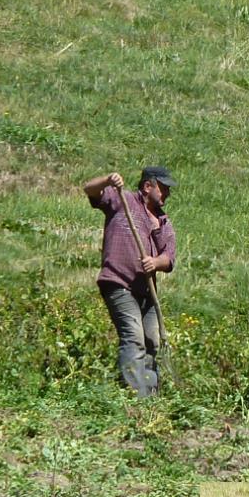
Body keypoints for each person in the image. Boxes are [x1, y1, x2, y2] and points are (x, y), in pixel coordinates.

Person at [82, 165, 177, 396]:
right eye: (163, 189)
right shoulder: (122, 201)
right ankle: (135, 396)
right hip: (119, 283)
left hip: (147, 292)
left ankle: (150, 396)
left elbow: (169, 257)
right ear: (147, 186)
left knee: (152, 342)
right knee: (134, 338)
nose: (167, 194)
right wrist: (107, 179)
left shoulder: (163, 222)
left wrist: (156, 262)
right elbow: (89, 190)